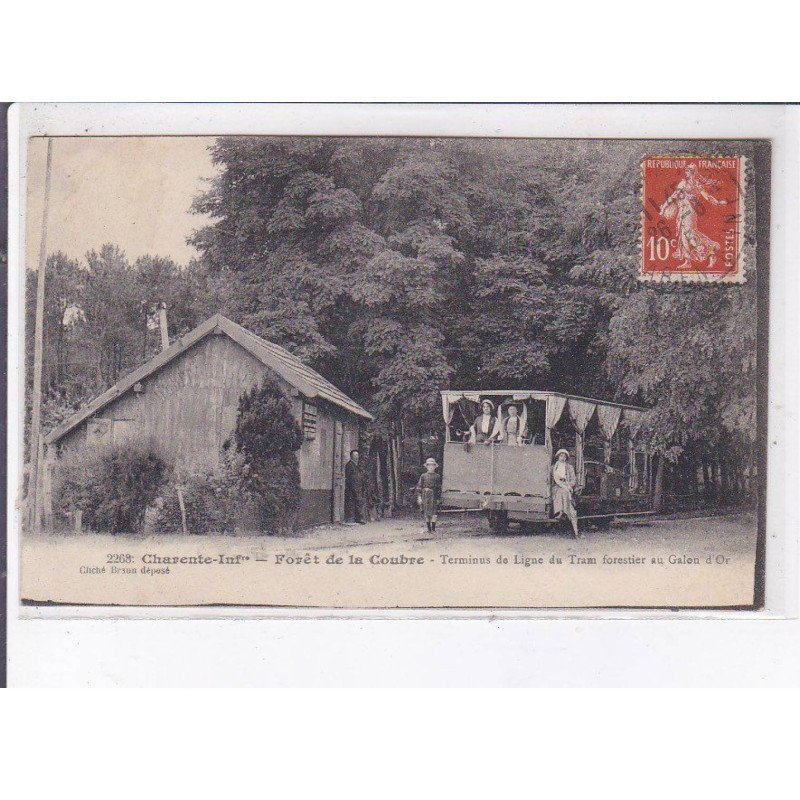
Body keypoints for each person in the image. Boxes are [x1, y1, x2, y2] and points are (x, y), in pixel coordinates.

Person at [659, 163, 730, 270]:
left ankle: (709, 252)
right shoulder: (683, 183)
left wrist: (718, 202)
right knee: (683, 235)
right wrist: (664, 206)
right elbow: (673, 196)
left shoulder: (697, 185)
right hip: (681, 212)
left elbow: (707, 196)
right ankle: (688, 261)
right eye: (686, 170)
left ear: (693, 172)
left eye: (689, 171)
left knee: (689, 234)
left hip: (690, 212)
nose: (686, 172)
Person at [552, 448, 579, 538]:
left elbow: (573, 480)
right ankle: (559, 511)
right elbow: (553, 480)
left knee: (565, 492)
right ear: (558, 457)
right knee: (559, 492)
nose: (562, 458)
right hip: (557, 486)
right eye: (561, 456)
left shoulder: (569, 467)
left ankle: (564, 512)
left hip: (566, 485)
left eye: (564, 456)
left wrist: (569, 486)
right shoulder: (554, 467)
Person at [416, 457, 442, 533]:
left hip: (433, 496)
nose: (431, 467)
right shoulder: (423, 476)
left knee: (434, 512)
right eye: (429, 465)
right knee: (427, 512)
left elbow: (439, 488)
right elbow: (419, 487)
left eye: (432, 465)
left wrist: (438, 498)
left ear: (435, 466)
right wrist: (419, 497)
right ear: (427, 466)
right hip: (425, 495)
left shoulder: (437, 476)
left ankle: (433, 529)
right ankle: (429, 529)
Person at [344, 449, 365, 524]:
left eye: (357, 455)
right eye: (355, 455)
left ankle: (358, 519)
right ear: (351, 456)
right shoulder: (349, 465)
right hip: (352, 488)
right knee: (354, 502)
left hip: (357, 487)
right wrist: (353, 487)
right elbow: (349, 478)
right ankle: (354, 519)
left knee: (358, 502)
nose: (357, 457)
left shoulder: (356, 465)